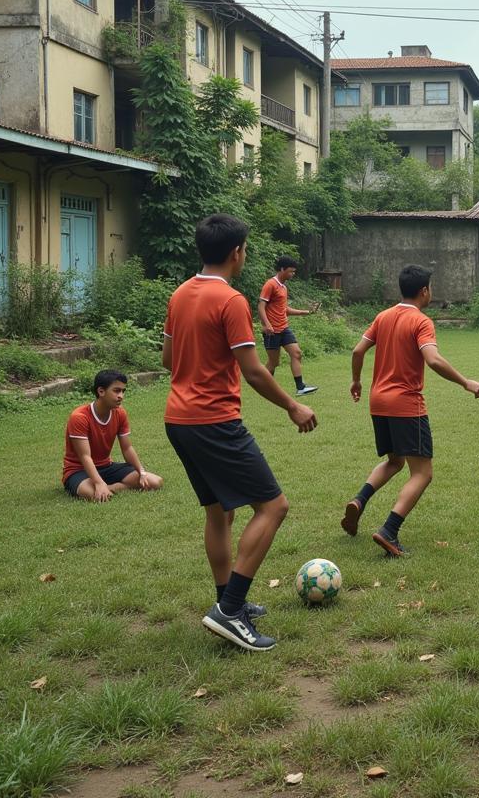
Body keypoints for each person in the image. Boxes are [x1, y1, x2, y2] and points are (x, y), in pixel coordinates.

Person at [163, 214, 317, 653]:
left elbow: (167, 360)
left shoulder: (180, 294)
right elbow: (252, 370)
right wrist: (293, 404)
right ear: (237, 252)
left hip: (178, 420)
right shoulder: (229, 300)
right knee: (273, 507)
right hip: (213, 421)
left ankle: (227, 600)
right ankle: (230, 611)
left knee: (220, 514)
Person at [342, 264, 479, 556]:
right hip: (406, 404)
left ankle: (359, 500)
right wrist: (465, 382)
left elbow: (357, 351)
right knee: (423, 472)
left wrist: (356, 381)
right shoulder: (421, 321)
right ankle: (389, 531)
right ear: (424, 291)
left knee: (395, 461)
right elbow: (433, 360)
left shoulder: (383, 316)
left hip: (377, 401)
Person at [62, 370, 163, 501]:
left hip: (106, 468)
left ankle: (110, 487)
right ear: (101, 391)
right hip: (78, 470)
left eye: (123, 391)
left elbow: (127, 448)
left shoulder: (120, 413)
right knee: (93, 495)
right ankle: (104, 485)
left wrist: (141, 472)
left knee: (155, 482)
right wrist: (98, 483)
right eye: (116, 391)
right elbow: (84, 456)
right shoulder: (79, 417)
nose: (121, 396)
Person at [259, 256, 320, 396]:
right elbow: (261, 306)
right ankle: (263, 386)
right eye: (291, 271)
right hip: (272, 331)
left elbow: (284, 309)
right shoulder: (270, 284)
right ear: (282, 269)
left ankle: (301, 387)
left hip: (284, 328)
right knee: (274, 363)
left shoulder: (283, 287)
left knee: (296, 353)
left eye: (294, 271)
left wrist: (307, 312)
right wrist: (267, 325)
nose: (293, 274)